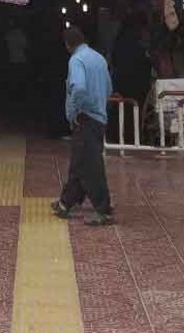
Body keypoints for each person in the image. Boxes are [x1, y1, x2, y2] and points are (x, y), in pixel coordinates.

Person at [51, 27, 115, 226]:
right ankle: (66, 202)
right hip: (99, 118)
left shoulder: (76, 60)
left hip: (85, 118)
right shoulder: (99, 58)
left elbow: (78, 88)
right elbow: (109, 88)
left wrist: (73, 112)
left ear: (68, 45)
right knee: (79, 162)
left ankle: (104, 210)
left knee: (91, 166)